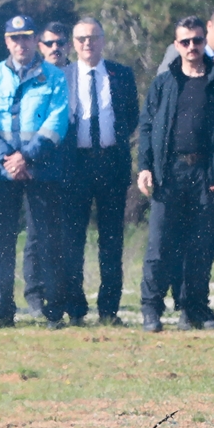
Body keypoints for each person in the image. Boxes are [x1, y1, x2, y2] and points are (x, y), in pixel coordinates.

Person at [137, 17, 214, 331]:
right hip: (168, 173)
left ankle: (193, 308)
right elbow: (145, 127)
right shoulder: (164, 82)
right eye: (185, 42)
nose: (192, 47)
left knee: (202, 245)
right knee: (160, 245)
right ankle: (151, 309)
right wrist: (144, 167)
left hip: (207, 174)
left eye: (197, 41)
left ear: (203, 41)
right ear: (176, 44)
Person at [0, 15, 69, 328]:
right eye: (14, 38)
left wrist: (26, 158)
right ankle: (3, 309)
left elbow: (57, 121)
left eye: (27, 37)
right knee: (2, 242)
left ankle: (53, 310)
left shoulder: (54, 77)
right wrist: (7, 159)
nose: (21, 43)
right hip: (3, 173)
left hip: (41, 170)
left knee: (46, 239)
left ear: (35, 41)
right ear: (7, 41)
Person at [60, 17, 139, 325]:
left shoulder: (121, 74)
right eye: (81, 39)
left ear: (103, 40)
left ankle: (109, 310)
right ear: (73, 43)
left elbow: (131, 116)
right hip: (75, 165)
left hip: (110, 164)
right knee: (73, 240)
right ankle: (76, 309)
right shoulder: (63, 76)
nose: (87, 44)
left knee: (111, 240)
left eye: (93, 37)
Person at [22, 20, 71, 317]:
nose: (55, 48)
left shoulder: (75, 73)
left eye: (60, 43)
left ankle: (63, 294)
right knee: (37, 231)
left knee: (65, 232)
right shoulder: (37, 75)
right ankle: (35, 294)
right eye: (49, 43)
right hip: (40, 160)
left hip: (74, 161)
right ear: (40, 46)